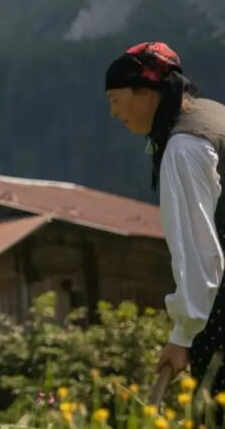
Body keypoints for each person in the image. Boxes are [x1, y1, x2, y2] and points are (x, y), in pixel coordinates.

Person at [105, 42, 225, 390]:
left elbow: (202, 252)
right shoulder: (212, 115)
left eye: (115, 100)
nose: (114, 113)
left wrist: (183, 334)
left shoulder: (184, 147)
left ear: (145, 93)